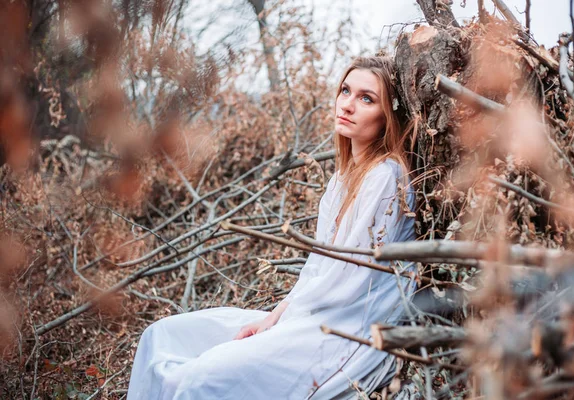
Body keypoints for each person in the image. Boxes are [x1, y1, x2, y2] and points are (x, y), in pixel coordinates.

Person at [127, 56, 417, 400]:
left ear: (387, 118)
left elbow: (347, 282)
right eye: (345, 91)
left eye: (366, 99)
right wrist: (273, 317)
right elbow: (318, 267)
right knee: (160, 335)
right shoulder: (341, 178)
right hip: (307, 314)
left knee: (199, 379)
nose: (348, 105)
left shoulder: (385, 177)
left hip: (343, 331)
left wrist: (277, 324)